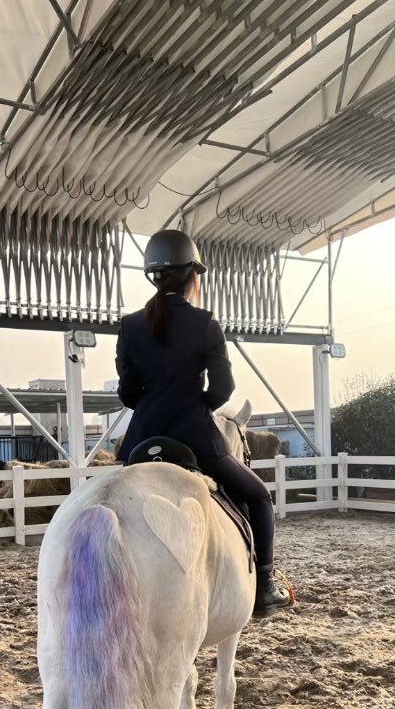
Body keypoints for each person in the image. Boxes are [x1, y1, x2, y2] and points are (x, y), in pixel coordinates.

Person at [115, 228, 289, 617]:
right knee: (260, 498)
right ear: (192, 277)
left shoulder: (129, 326)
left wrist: (151, 405)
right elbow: (224, 387)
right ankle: (264, 586)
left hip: (141, 438)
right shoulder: (205, 322)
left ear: (154, 277)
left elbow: (128, 393)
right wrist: (197, 405)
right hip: (195, 437)